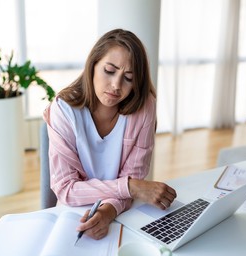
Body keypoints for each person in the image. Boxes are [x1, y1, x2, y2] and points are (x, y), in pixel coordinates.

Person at [43, 29, 177, 240]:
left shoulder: (144, 108)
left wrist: (108, 212)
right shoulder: (63, 110)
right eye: (109, 70)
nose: (116, 86)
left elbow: (134, 183)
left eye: (128, 78)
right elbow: (66, 190)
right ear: (93, 65)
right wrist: (130, 187)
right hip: (73, 214)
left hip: (121, 212)